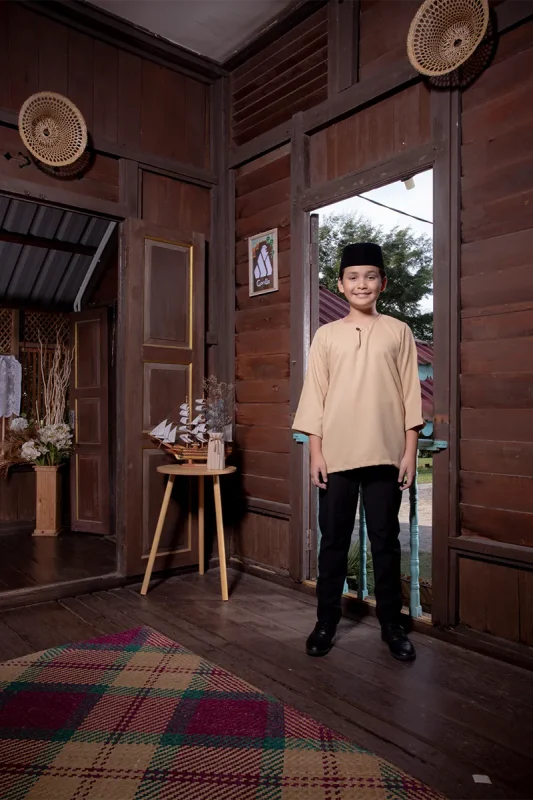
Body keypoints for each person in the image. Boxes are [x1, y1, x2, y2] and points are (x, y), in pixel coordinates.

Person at [292, 242, 424, 662]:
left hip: (386, 454)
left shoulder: (399, 331)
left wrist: (409, 451)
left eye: (370, 276)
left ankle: (391, 624)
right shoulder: (326, 335)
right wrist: (315, 453)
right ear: (340, 284)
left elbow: (410, 395)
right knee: (332, 541)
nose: (361, 284)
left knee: (386, 541)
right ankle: (325, 622)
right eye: (353, 277)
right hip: (336, 455)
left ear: (382, 283)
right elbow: (315, 395)